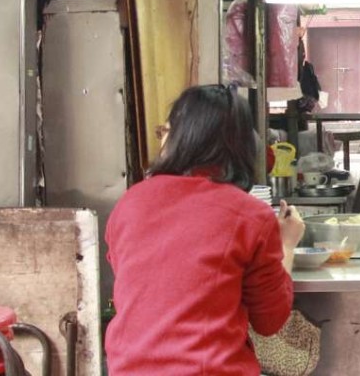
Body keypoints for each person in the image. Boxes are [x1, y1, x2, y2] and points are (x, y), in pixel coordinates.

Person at [105, 84, 305, 376]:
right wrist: (287, 244)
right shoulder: (250, 215)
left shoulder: (130, 202)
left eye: (165, 131)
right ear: (241, 146)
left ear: (180, 140)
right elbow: (270, 321)